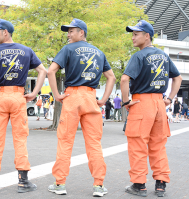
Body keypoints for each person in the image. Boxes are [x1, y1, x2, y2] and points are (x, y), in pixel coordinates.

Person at [0, 19, 47, 193]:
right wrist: (35, 92)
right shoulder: (26, 50)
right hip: (18, 96)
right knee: (20, 138)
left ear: (5, 32)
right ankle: (23, 181)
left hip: (0, 96)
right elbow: (43, 70)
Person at [47, 18, 116, 197]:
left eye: (71, 31)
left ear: (81, 33)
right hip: (91, 97)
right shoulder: (99, 52)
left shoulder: (68, 49)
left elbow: (50, 71)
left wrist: (56, 94)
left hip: (72, 96)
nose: (68, 35)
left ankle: (60, 183)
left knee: (65, 140)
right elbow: (112, 77)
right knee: (94, 143)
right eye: (68, 31)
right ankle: (99, 185)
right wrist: (104, 99)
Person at [121, 20, 182, 197]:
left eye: (136, 34)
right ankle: (161, 184)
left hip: (142, 103)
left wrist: (125, 102)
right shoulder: (164, 56)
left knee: (138, 144)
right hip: (160, 104)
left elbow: (125, 79)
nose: (133, 37)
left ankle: (139, 185)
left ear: (146, 36)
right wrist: (170, 98)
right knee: (158, 145)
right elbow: (177, 78)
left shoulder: (139, 56)